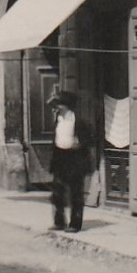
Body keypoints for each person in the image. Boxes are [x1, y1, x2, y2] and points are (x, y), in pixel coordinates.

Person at [48, 90, 92, 233]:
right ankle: (59, 222)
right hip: (60, 159)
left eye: (60, 105)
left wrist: (79, 143)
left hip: (75, 160)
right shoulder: (58, 121)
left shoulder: (79, 121)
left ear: (67, 106)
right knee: (57, 193)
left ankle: (75, 224)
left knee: (75, 194)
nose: (57, 108)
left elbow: (91, 139)